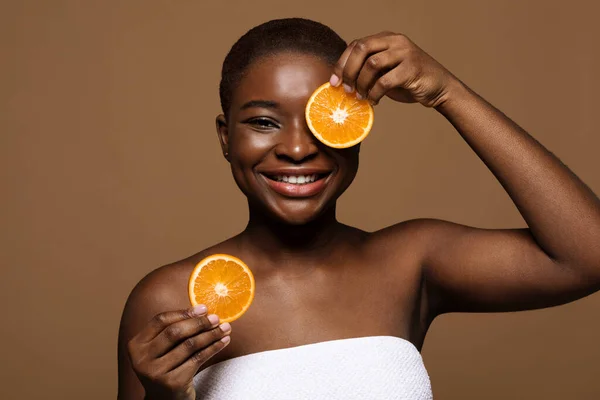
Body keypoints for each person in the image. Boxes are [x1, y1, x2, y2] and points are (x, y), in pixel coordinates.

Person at [117, 18, 600, 399]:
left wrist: (446, 92)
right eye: (263, 122)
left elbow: (587, 255)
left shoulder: (410, 263)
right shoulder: (171, 299)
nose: (297, 150)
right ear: (227, 138)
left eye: (320, 120)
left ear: (356, 128)